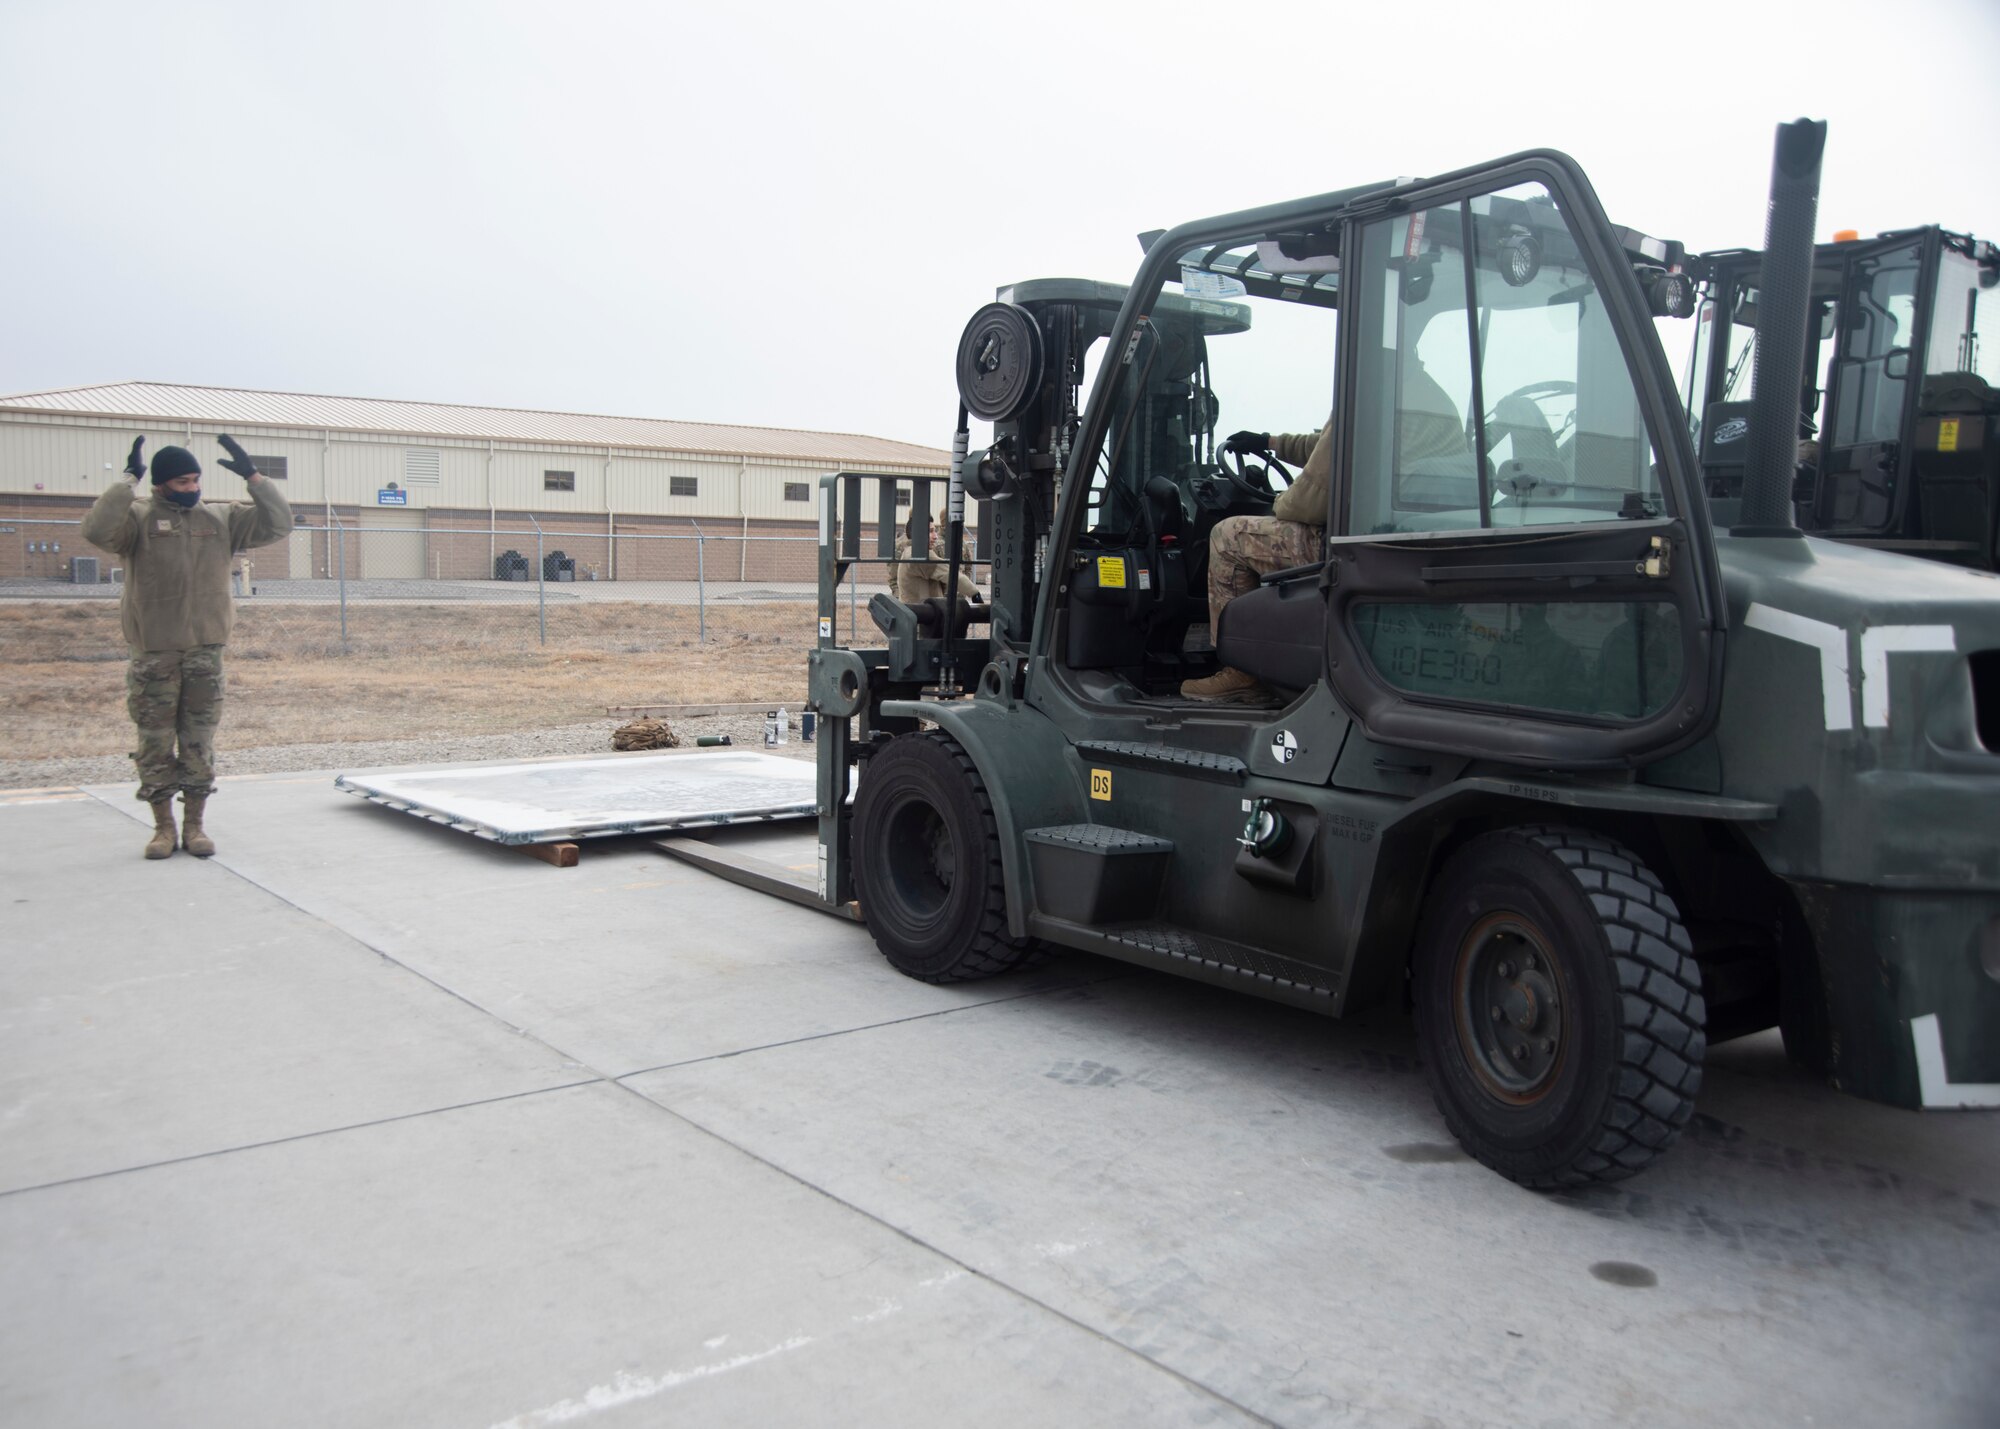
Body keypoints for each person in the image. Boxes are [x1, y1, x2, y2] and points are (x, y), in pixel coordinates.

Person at [1182, 359, 1467, 702]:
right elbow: (1329, 446)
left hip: (1352, 549)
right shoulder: (1423, 394)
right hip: (1402, 542)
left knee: (1228, 535)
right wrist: (1269, 441)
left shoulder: (1369, 394)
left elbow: (1309, 502)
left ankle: (1244, 674)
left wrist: (1278, 502)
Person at [82, 434, 293, 859]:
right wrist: (127, 481)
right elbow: (96, 530)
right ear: (160, 484)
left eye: (195, 479)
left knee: (198, 741)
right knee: (155, 742)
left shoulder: (221, 519)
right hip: (155, 651)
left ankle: (195, 826)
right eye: (181, 481)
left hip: (204, 650)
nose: (191, 487)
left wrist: (254, 477)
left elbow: (278, 524)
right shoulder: (137, 519)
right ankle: (162, 829)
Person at [892, 514, 981, 606]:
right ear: (918, 534)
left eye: (935, 531)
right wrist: (974, 593)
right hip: (922, 615)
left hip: (917, 612)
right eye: (931, 531)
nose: (935, 536)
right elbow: (950, 574)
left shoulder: (909, 551)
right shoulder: (920, 555)